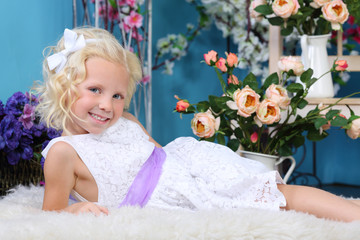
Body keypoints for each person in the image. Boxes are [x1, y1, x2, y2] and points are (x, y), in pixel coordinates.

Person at [35, 27, 360, 222]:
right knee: (272, 202)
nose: (108, 105)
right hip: (165, 196)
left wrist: (197, 178)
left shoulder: (126, 121)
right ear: (64, 86)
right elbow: (52, 214)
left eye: (118, 95)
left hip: (188, 165)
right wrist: (73, 212)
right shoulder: (64, 153)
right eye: (95, 90)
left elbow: (156, 152)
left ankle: (353, 214)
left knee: (274, 194)